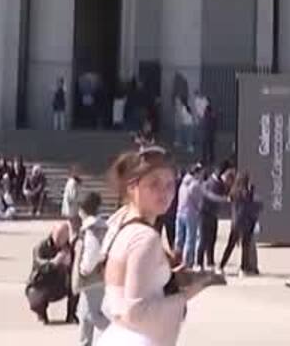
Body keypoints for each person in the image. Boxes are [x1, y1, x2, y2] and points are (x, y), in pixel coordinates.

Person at [98, 147, 216, 345]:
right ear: (132, 187)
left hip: (117, 335)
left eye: (170, 185)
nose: (164, 192)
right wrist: (189, 292)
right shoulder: (145, 237)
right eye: (154, 184)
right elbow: (136, 312)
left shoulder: (119, 222)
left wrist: (171, 279)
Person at [74, 191, 113, 345]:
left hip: (91, 279)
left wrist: (84, 268)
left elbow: (92, 251)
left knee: (92, 316)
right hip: (102, 276)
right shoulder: (103, 226)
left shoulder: (91, 229)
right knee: (86, 315)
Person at [26, 221, 77, 325]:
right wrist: (54, 262)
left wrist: (69, 264)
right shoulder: (41, 246)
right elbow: (39, 264)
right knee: (35, 298)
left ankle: (71, 315)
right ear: (52, 233)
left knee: (77, 284)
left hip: (61, 283)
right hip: (41, 283)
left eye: (63, 236)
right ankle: (41, 314)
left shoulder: (69, 247)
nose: (59, 239)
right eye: (57, 235)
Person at [218, 171, 260, 276]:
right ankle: (243, 268)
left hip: (235, 222)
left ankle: (221, 266)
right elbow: (248, 207)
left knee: (230, 245)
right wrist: (251, 191)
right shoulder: (245, 193)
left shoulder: (233, 192)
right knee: (245, 247)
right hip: (245, 222)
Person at [174, 166, 204, 269]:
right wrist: (199, 209)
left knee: (179, 238)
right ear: (197, 173)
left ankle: (177, 259)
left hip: (180, 212)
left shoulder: (183, 184)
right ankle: (188, 261)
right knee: (190, 238)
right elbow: (198, 201)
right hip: (191, 214)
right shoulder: (195, 184)